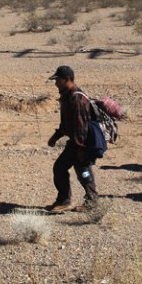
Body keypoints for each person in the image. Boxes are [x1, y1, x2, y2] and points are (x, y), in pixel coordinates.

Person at [46, 65, 99, 212]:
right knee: (80, 169)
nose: (56, 83)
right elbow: (67, 123)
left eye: (58, 80)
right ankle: (89, 201)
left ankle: (67, 201)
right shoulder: (68, 97)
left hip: (81, 142)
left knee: (71, 168)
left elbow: (80, 126)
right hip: (77, 141)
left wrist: (81, 148)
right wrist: (56, 136)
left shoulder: (77, 99)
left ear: (67, 79)